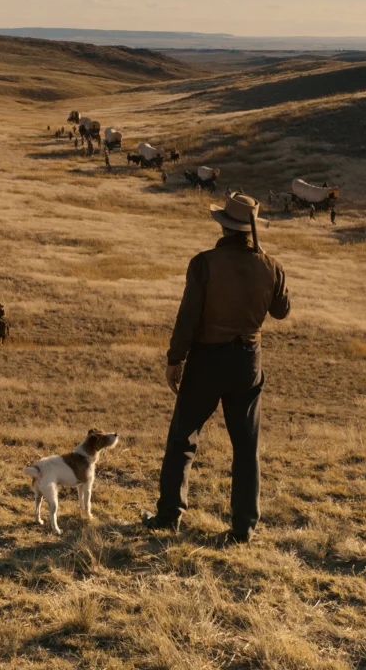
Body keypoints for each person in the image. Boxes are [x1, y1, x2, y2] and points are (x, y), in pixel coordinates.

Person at [142, 192, 291, 544]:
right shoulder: (270, 265)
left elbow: (188, 317)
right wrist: (270, 267)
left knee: (183, 439)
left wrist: (175, 359)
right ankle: (243, 528)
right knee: (246, 447)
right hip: (248, 361)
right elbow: (282, 311)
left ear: (224, 227)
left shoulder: (204, 264)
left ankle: (169, 517)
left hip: (207, 359)